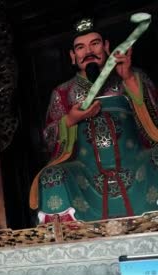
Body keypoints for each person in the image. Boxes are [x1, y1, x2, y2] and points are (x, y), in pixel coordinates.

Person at [30, 17, 158, 223]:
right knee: (52, 176)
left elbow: (154, 119)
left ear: (106, 47)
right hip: (85, 173)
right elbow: (48, 137)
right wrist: (69, 120)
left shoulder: (131, 76)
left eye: (94, 44)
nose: (88, 51)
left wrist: (129, 80)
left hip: (135, 164)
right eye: (80, 48)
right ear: (73, 56)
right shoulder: (63, 92)